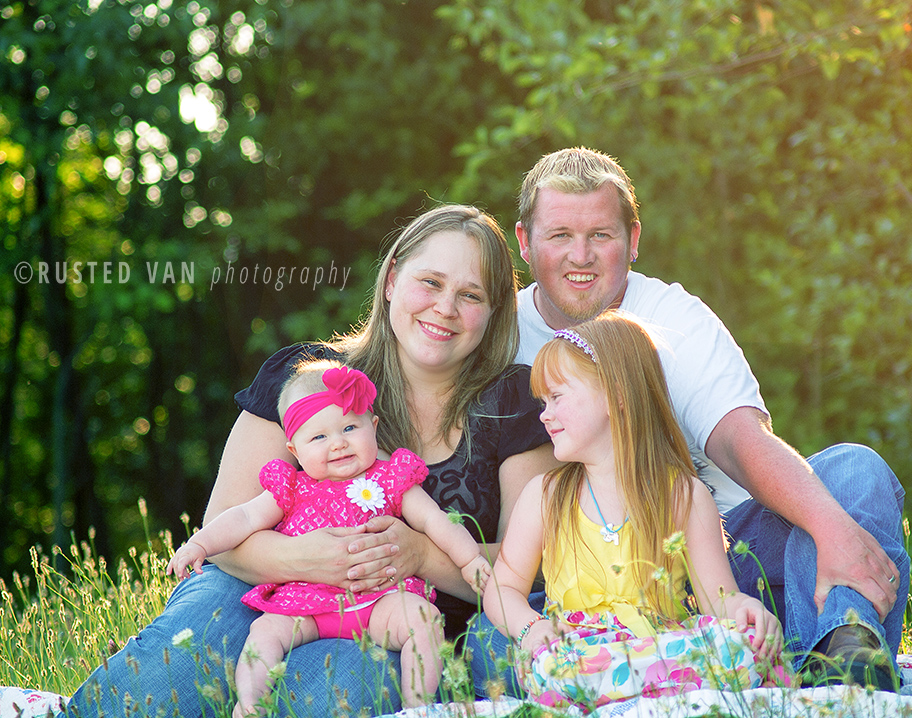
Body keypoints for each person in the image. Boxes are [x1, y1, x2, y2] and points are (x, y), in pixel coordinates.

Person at [62, 204, 557, 717]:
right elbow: (225, 531)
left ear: (495, 311)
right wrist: (308, 559)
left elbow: (536, 569)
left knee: (335, 686)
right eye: (430, 282)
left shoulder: (514, 404)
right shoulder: (303, 381)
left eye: (470, 295)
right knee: (189, 654)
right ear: (391, 280)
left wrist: (419, 556)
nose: (445, 307)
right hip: (266, 592)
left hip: (402, 621)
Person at [507, 146, 909, 691]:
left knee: (855, 472)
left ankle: (843, 654)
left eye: (601, 234)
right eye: (559, 236)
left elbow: (744, 444)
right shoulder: (497, 333)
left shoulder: (676, 320)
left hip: (716, 559)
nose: (581, 255)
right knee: (498, 630)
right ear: (525, 242)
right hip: (577, 590)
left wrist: (833, 532)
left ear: (634, 240)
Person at [483, 312, 784, 709]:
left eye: (556, 397)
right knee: (551, 667)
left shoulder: (683, 496)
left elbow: (718, 600)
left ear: (616, 395)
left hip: (661, 647)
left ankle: (644, 692)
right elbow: (501, 590)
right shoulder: (545, 496)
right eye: (543, 401)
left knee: (741, 645)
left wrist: (745, 608)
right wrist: (531, 628)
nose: (544, 414)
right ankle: (649, 693)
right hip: (579, 654)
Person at [166, 361, 492, 715]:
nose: (337, 444)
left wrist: (469, 558)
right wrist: (200, 543)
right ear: (295, 450)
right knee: (263, 634)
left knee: (424, 620)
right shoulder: (291, 487)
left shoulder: (391, 479)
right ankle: (250, 706)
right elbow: (243, 517)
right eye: (319, 437)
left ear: (374, 427)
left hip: (380, 600)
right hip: (305, 605)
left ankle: (420, 706)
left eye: (350, 427)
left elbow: (435, 521)